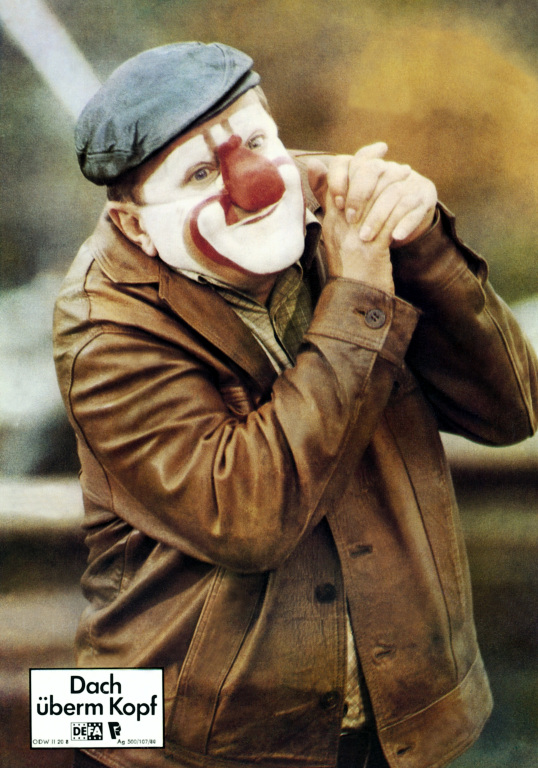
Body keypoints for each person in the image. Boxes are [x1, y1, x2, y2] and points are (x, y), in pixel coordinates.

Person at [53, 42, 538, 768]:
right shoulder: (98, 324)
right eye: (200, 172)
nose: (250, 182)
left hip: (394, 724)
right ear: (132, 226)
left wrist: (422, 240)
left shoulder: (336, 221)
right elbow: (247, 516)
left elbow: (513, 412)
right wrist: (361, 297)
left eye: (255, 141)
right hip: (177, 738)